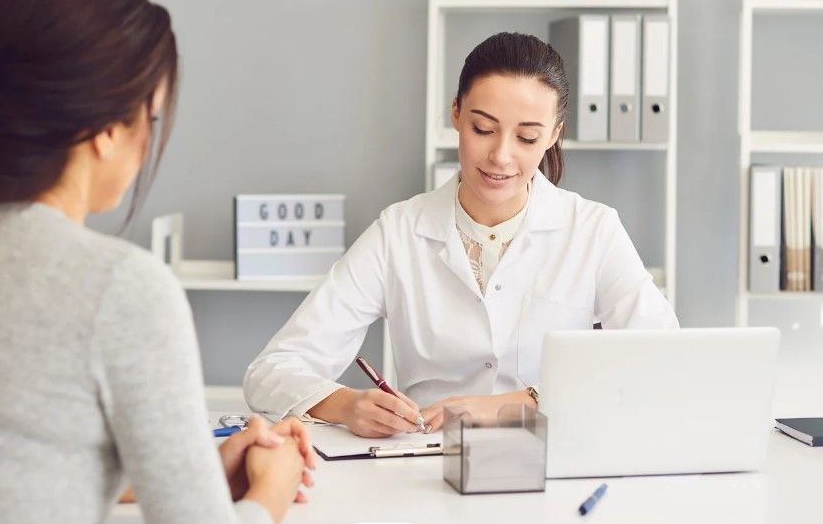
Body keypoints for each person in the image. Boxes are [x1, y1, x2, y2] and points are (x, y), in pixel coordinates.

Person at [0, 0, 314, 524]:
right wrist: (271, 493)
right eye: (152, 116)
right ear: (107, 131)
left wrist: (196, 472)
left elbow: (7, 470)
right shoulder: (115, 285)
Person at [244, 31, 679, 438]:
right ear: (456, 113)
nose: (501, 156)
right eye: (483, 129)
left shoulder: (592, 230)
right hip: (425, 463)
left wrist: (517, 403)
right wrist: (345, 404)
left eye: (527, 138)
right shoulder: (398, 233)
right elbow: (272, 370)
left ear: (553, 136)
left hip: (552, 460)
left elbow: (663, 359)